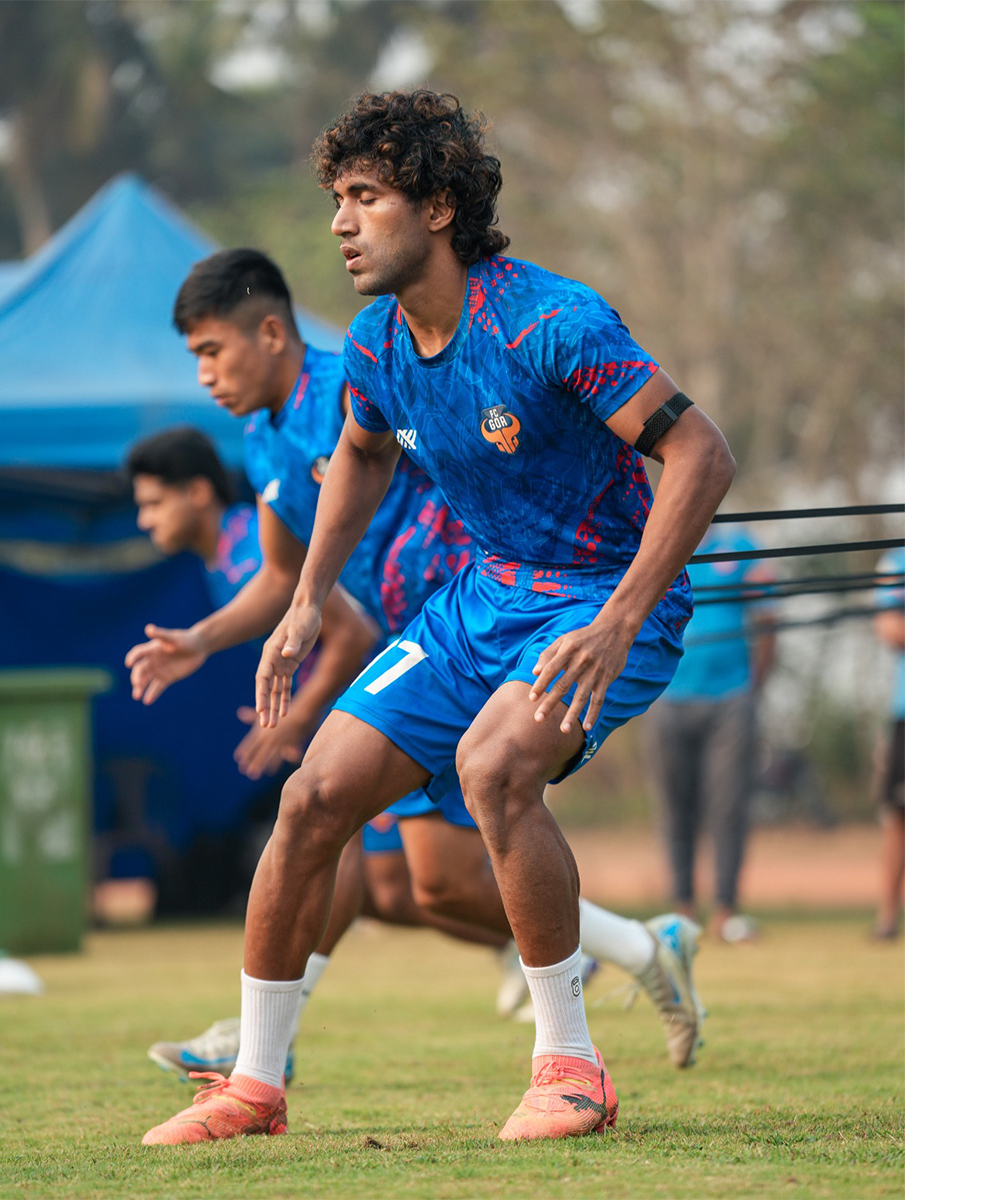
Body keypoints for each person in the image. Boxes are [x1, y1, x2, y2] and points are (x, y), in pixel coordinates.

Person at [141, 90, 734, 1147]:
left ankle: (572, 1068)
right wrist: (310, 595)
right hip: (480, 603)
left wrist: (618, 618)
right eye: (336, 198)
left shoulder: (554, 322)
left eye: (364, 196)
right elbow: (362, 455)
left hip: (603, 602)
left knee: (495, 767)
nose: (339, 222)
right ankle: (254, 1084)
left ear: (440, 206)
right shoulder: (373, 342)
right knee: (313, 796)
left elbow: (700, 453)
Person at [641, 524, 777, 944]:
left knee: (729, 806)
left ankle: (725, 910)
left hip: (731, 699)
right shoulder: (653, 539)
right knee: (673, 808)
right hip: (666, 700)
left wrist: (753, 686)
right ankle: (682, 909)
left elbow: (767, 618)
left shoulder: (740, 546)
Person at [871, 545, 905, 940]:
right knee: (899, 816)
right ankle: (887, 919)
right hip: (906, 709)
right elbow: (889, 627)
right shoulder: (897, 562)